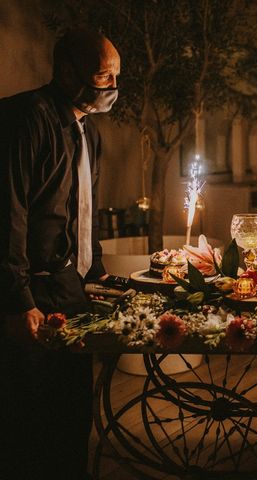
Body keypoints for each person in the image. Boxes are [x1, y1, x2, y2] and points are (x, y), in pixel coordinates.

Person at [0, 29, 120, 479]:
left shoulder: (89, 132)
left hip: (72, 290)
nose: (111, 88)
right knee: (28, 419)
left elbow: (82, 215)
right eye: (102, 76)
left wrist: (98, 276)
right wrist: (17, 299)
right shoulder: (25, 118)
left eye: (115, 78)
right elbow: (7, 213)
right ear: (67, 72)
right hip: (32, 292)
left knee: (72, 413)